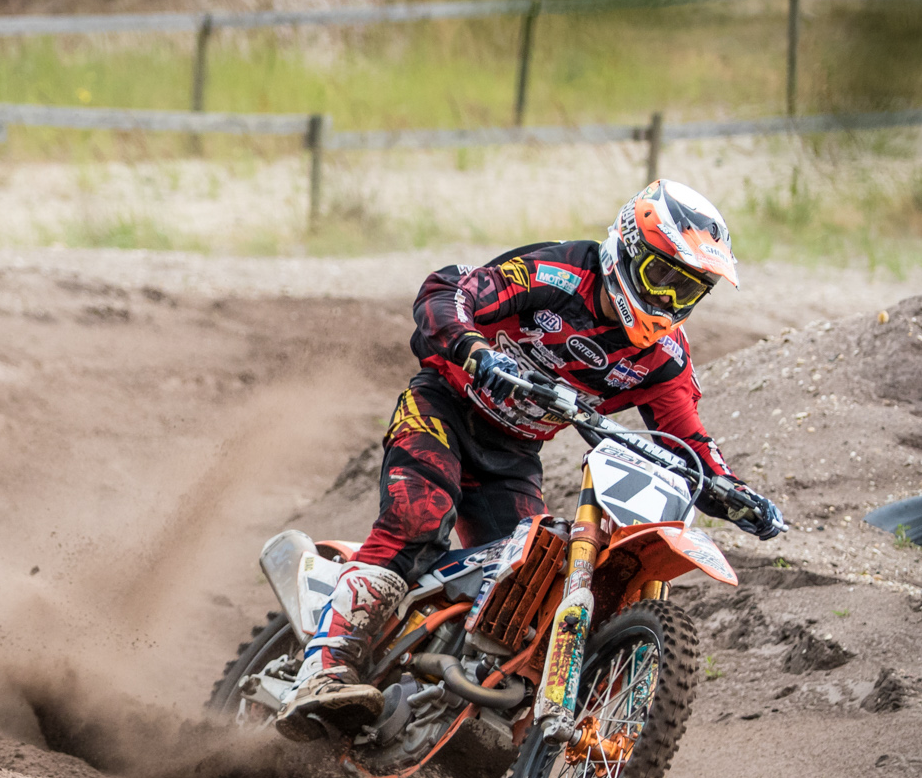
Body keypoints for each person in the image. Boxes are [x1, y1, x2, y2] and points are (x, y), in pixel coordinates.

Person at [275, 179, 785, 741]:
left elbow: (688, 439)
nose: (668, 299)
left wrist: (731, 490)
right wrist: (474, 350)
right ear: (627, 251)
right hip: (444, 409)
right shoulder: (559, 274)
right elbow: (448, 290)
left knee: (529, 583)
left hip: (512, 456)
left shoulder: (663, 356)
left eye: (687, 290)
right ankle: (323, 672)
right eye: (661, 277)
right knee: (417, 522)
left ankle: (454, 708)